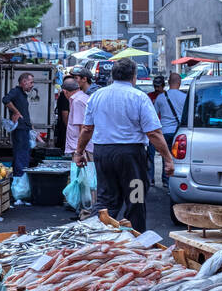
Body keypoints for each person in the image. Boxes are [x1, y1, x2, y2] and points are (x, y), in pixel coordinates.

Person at [72, 57, 174, 233]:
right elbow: (153, 133)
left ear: (113, 75)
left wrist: (78, 152)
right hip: (131, 155)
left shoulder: (97, 96)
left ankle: (96, 238)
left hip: (103, 153)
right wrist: (168, 159)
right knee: (136, 198)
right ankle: (135, 241)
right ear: (133, 77)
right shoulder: (138, 97)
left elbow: (87, 129)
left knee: (105, 199)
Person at [3, 72, 34, 201]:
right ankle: (19, 193)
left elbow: (25, 114)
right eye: (31, 82)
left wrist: (33, 131)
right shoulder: (16, 91)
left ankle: (19, 191)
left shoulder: (23, 95)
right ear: (24, 82)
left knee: (22, 158)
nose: (32, 85)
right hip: (20, 130)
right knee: (21, 159)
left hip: (25, 129)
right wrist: (16, 112)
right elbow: (5, 100)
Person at [153, 72, 186, 187]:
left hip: (165, 131)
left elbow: (154, 115)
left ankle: (166, 180)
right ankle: (176, 180)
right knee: (179, 158)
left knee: (165, 157)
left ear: (168, 83)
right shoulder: (185, 97)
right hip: (180, 132)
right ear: (179, 83)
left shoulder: (160, 98)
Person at [62, 76, 91, 160]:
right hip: (83, 148)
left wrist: (80, 151)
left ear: (65, 91)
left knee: (84, 172)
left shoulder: (77, 101)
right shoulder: (83, 98)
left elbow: (83, 126)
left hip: (82, 149)